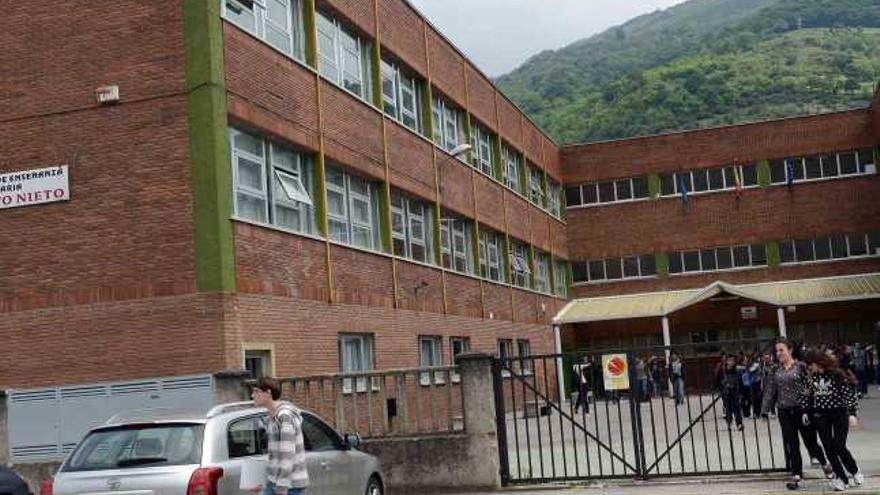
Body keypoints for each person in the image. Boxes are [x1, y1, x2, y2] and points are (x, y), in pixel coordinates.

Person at [762, 339, 831, 491]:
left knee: (810, 441)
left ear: (790, 350)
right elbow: (770, 391)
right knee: (792, 444)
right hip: (784, 411)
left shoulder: (801, 367)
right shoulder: (775, 370)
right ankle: (797, 475)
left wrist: (811, 405)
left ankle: (825, 464)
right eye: (777, 351)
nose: (779, 353)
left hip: (802, 410)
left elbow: (810, 386)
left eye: (782, 350)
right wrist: (765, 410)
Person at [803, 351, 865, 491]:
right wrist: (805, 411)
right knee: (828, 448)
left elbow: (849, 394)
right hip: (821, 415)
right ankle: (841, 478)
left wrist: (852, 413)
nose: (809, 368)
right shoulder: (811, 377)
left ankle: (854, 470)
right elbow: (807, 395)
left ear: (817, 362)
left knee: (839, 446)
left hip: (839, 414)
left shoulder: (837, 375)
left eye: (810, 364)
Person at [251, 376, 309, 495]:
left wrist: (282, 486)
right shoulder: (272, 418)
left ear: (268, 393)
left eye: (256, 391)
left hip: (290, 485)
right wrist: (262, 482)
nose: (253, 395)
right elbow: (274, 457)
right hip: (274, 482)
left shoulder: (285, 416)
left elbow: (287, 454)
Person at [719, 355, 744, 430]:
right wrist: (724, 384)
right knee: (728, 408)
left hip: (735, 391)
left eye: (732, 360)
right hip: (726, 391)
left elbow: (739, 380)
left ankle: (739, 423)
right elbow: (719, 380)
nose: (731, 362)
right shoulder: (723, 370)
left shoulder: (736, 370)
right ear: (726, 361)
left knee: (737, 407)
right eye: (729, 360)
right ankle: (729, 422)